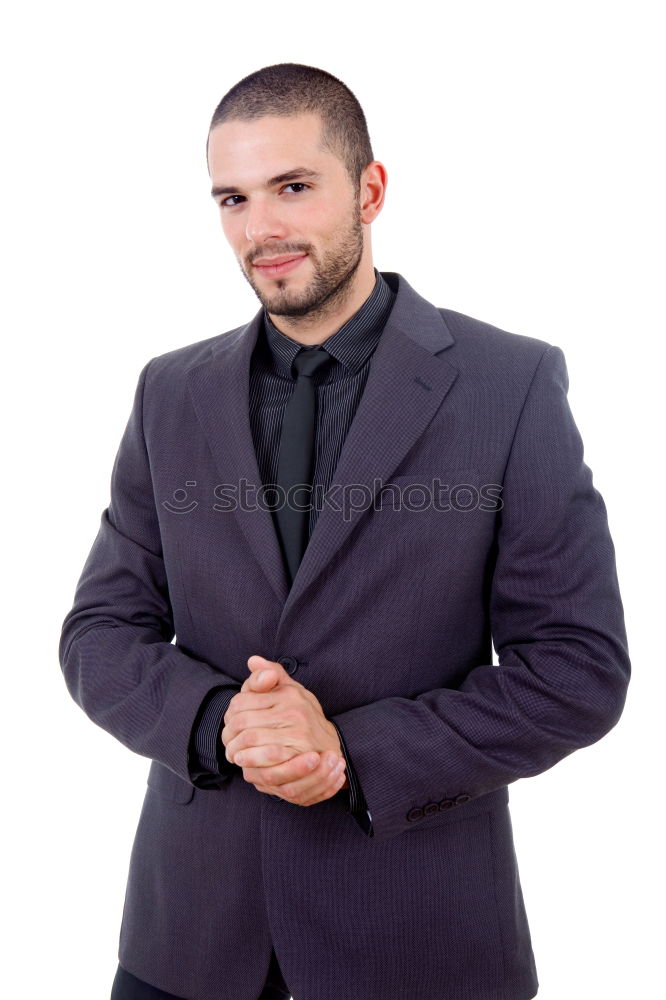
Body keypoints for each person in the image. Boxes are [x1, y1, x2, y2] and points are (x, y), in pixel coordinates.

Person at [58, 62, 631, 1000]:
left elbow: (576, 667)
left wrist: (349, 755)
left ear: (369, 190)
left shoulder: (510, 384)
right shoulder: (170, 391)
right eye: (232, 198)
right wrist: (218, 720)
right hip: (188, 945)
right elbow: (97, 634)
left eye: (292, 187)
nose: (260, 229)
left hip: (419, 945)